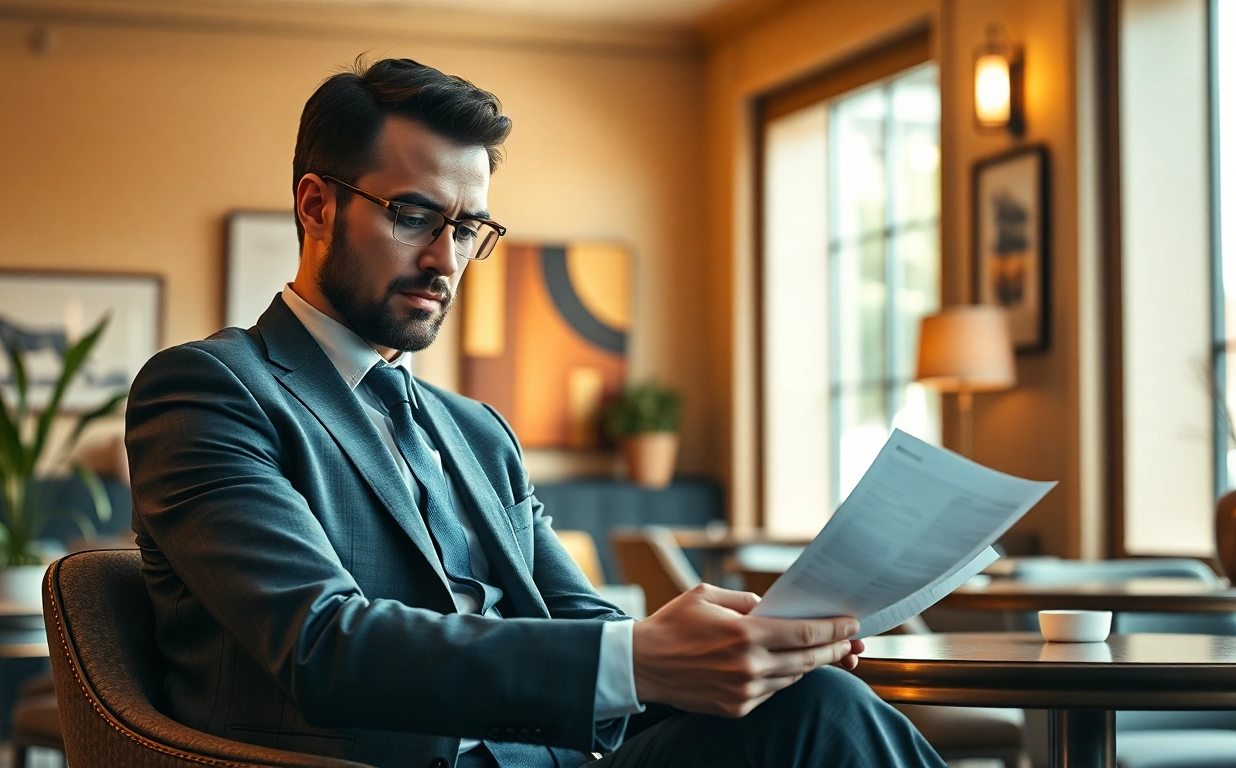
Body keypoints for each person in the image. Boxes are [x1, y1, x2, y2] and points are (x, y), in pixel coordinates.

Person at [125, 57, 944, 768]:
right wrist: (641, 656)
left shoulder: (476, 434)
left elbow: (584, 626)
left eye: (468, 226)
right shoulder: (210, 389)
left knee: (812, 704)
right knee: (825, 722)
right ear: (315, 207)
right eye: (413, 215)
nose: (446, 259)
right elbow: (322, 646)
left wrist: (737, 648)